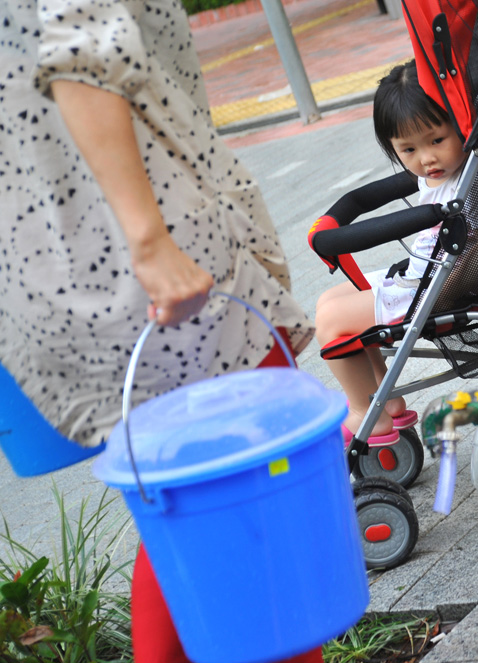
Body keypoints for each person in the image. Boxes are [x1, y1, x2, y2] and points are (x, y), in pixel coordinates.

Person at [0, 1, 317, 661]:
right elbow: (82, 47)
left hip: (55, 254)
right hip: (142, 243)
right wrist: (148, 240)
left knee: (184, 505)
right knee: (251, 495)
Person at [315, 59, 478, 443]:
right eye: (408, 149)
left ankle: (363, 413)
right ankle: (385, 403)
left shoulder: (472, 174)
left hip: (437, 286)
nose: (426, 159)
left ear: (462, 124)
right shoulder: (456, 169)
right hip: (425, 275)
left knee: (333, 323)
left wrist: (448, 286)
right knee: (331, 300)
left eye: (436, 140)